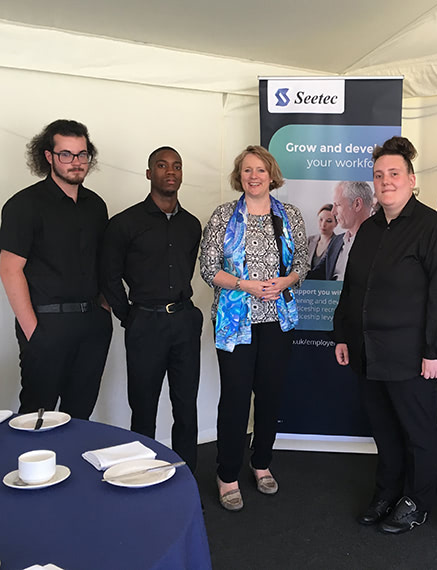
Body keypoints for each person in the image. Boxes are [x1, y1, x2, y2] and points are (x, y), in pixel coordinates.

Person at [333, 136, 437, 534]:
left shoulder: (432, 227)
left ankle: (418, 500)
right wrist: (342, 335)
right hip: (367, 350)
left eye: (394, 174)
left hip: (411, 354)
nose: (386, 181)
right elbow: (352, 287)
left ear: (411, 178)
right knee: (384, 429)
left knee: (419, 431)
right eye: (379, 175)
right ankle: (387, 491)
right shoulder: (369, 228)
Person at [200, 145, 308, 511]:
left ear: (271, 174)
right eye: (247, 170)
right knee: (234, 397)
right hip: (236, 320)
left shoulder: (288, 215)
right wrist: (244, 285)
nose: (254, 176)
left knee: (270, 395)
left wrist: (285, 281)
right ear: (239, 176)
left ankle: (261, 463)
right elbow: (207, 268)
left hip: (277, 319)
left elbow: (302, 264)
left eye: (260, 169)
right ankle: (227, 473)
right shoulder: (223, 216)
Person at [0, 119, 112, 419]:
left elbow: (103, 261)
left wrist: (103, 308)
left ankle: (72, 467)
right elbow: (10, 269)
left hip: (92, 325)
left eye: (82, 154)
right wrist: (33, 332)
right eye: (66, 154)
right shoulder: (24, 205)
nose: (76, 162)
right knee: (38, 417)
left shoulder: (96, 206)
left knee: (80, 415)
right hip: (46, 325)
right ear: (48, 156)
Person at [101, 146, 203, 470]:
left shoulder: (191, 224)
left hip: (184, 323)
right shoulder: (124, 223)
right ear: (149, 173)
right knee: (143, 409)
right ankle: (140, 478)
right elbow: (108, 276)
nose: (170, 171)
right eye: (162, 165)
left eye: (176, 166)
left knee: (186, 408)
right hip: (145, 324)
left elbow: (186, 268)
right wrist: (130, 315)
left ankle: (186, 486)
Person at [323, 180, 374, 280]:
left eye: (337, 205)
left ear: (357, 204)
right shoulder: (336, 241)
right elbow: (317, 274)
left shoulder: (382, 243)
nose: (333, 212)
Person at [306, 203, 337, 277]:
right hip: (307, 285)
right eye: (321, 219)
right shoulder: (310, 241)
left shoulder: (338, 243)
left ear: (336, 223)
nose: (323, 224)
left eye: (329, 221)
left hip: (327, 286)